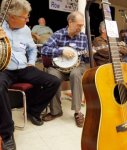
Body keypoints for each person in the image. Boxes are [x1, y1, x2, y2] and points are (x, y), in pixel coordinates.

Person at [0, 0, 60, 149]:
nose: (28, 20)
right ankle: (7, 133)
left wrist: (32, 62)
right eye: (25, 17)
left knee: (54, 81)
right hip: (4, 69)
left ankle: (34, 111)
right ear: (12, 16)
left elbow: (32, 49)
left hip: (24, 68)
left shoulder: (26, 29)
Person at [41, 11, 89, 128]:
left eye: (82, 25)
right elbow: (44, 49)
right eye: (78, 25)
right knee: (52, 76)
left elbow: (86, 60)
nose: (80, 28)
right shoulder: (58, 34)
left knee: (75, 74)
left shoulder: (83, 37)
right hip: (60, 68)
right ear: (70, 22)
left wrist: (88, 54)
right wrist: (60, 51)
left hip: (77, 66)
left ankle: (78, 112)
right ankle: (56, 111)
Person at [93, 21, 127, 101]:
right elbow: (106, 52)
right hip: (108, 64)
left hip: (118, 62)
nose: (113, 31)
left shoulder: (113, 40)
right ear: (103, 30)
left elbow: (125, 50)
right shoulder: (98, 40)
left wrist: (118, 48)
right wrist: (118, 47)